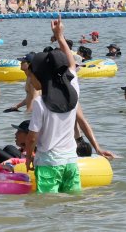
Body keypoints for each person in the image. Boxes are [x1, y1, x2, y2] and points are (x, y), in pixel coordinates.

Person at [23, 16, 82, 194]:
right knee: (72, 202)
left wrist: (28, 158)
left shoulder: (40, 103)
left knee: (47, 206)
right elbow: (70, 64)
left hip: (49, 163)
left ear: (41, 76)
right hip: (71, 162)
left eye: (31, 76)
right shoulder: (73, 89)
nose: (30, 80)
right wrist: (60, 36)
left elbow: (32, 138)